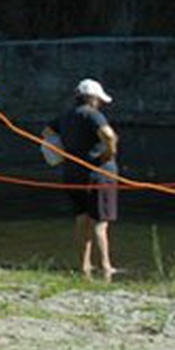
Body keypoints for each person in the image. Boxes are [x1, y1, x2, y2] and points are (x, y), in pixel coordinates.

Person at [51, 77, 120, 281]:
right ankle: (106, 267)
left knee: (81, 220)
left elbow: (46, 132)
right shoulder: (93, 115)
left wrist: (60, 152)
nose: (99, 103)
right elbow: (108, 135)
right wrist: (110, 152)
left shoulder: (65, 116)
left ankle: (84, 266)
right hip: (99, 175)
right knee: (100, 223)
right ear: (92, 99)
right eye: (98, 100)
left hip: (72, 175)